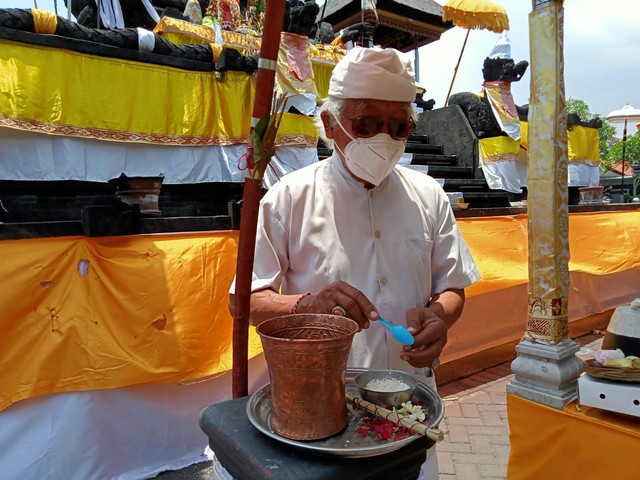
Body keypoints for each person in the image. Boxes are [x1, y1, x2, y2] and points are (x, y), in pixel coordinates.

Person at [230, 46, 481, 478]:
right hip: (317, 409)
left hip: (408, 402)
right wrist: (302, 307)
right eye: (365, 124)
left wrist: (441, 316)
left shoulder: (429, 196)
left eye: (399, 126)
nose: (383, 139)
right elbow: (244, 303)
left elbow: (453, 286)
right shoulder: (288, 199)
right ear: (330, 123)